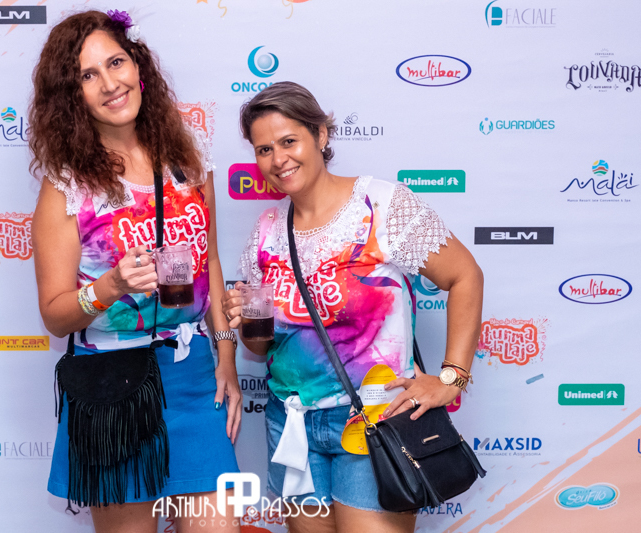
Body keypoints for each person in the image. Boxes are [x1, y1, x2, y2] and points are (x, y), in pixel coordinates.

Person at [222, 82, 484, 533]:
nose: (278, 159)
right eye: (264, 149)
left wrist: (451, 379)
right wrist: (247, 319)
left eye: (289, 141)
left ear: (321, 135)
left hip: (375, 420)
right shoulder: (267, 230)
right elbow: (260, 348)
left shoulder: (380, 205)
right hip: (293, 426)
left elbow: (465, 276)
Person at [29, 10, 241, 533]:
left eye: (116, 62)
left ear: (138, 65)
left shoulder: (188, 157)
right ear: (72, 96)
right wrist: (110, 286)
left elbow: (210, 261)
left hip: (194, 377)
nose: (110, 84)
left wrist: (227, 357)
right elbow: (55, 316)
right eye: (88, 75)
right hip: (112, 388)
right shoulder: (67, 186)